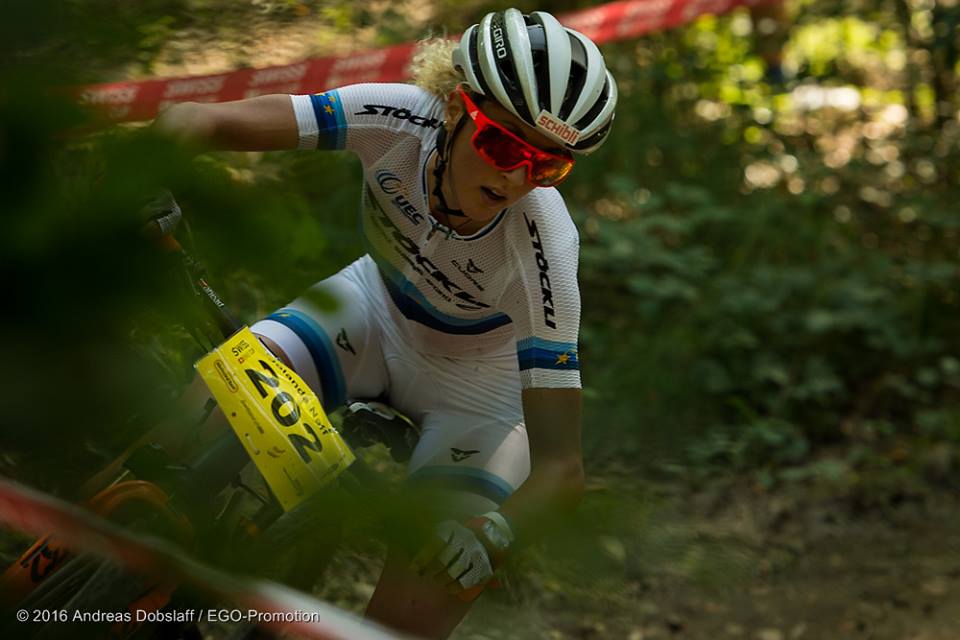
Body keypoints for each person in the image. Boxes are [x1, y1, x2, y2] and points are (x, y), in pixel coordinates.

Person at [153, 8, 617, 638]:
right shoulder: (395, 117)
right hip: (372, 312)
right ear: (453, 106)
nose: (516, 177)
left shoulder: (545, 244)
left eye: (546, 167)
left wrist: (495, 534)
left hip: (479, 393)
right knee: (193, 420)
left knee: (418, 604)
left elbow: (562, 468)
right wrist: (150, 170)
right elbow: (197, 120)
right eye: (503, 144)